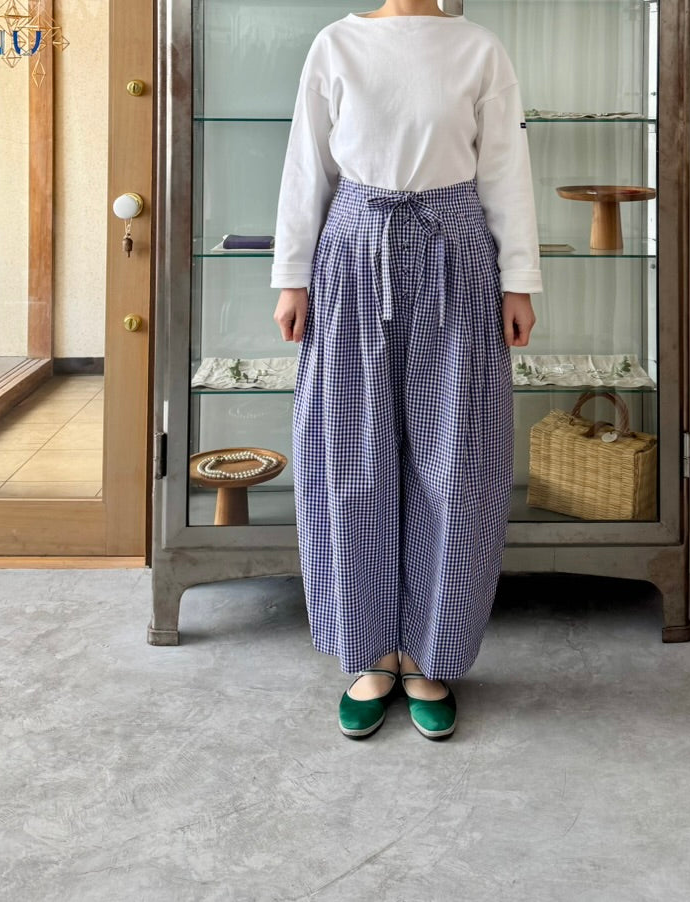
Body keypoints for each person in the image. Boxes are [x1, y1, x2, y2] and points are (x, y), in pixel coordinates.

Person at [271, 0, 542, 740]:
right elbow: (307, 164)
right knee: (350, 458)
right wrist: (292, 277)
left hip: (457, 253)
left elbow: (506, 168)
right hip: (352, 254)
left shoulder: (478, 49)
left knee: (458, 460)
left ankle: (429, 655)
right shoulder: (336, 45)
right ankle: (371, 655)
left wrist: (518, 281)